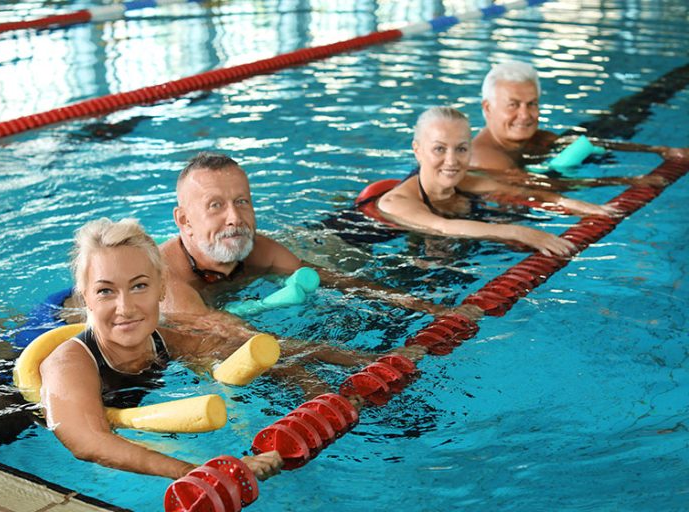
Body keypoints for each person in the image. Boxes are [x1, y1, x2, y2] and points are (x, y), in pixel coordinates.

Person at [39, 217, 283, 481]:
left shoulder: (165, 341)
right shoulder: (69, 364)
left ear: (162, 288)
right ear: (85, 297)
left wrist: (310, 369)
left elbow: (233, 350)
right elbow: (89, 443)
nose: (126, 308)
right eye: (105, 291)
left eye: (139, 286)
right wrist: (201, 472)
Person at [159, 152, 468, 338]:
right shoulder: (167, 283)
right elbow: (237, 338)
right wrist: (359, 362)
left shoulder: (257, 250)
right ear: (184, 220)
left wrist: (428, 307)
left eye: (242, 202)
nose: (234, 218)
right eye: (215, 206)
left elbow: (334, 280)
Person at [377, 106, 618, 257]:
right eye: (439, 149)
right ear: (417, 151)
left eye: (461, 149)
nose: (452, 161)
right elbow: (442, 227)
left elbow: (521, 192)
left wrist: (577, 205)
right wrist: (519, 233)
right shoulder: (396, 201)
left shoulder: (465, 182)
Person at [471, 60, 688, 188]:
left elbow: (586, 142)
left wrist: (658, 149)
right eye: (513, 105)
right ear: (488, 108)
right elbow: (544, 188)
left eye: (532, 104)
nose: (525, 114)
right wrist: (626, 181)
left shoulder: (536, 138)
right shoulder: (486, 158)